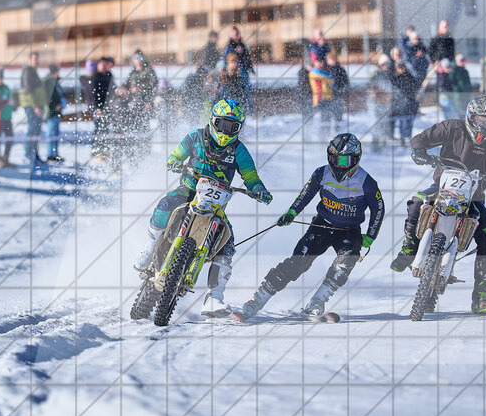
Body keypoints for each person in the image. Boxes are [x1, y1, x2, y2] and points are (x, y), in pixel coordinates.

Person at [130, 99, 272, 317]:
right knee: (165, 205)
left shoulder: (239, 151)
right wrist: (175, 163)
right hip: (189, 190)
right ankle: (149, 249)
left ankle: (214, 297)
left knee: (228, 243)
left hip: (216, 202)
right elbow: (175, 155)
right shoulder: (195, 137)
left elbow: (251, 176)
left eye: (232, 127)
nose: (225, 131)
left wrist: (259, 189)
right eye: (222, 124)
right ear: (212, 120)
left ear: (238, 128)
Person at [390, 95, 486, 314]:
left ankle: (480, 297)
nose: (482, 124)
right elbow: (420, 139)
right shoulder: (452, 128)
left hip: (473, 198)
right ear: (470, 116)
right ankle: (409, 249)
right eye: (478, 119)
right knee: (415, 203)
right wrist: (421, 152)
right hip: (441, 189)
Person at [233, 133, 384, 321]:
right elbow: (306, 195)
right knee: (298, 263)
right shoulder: (321, 173)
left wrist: (370, 236)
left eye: (345, 161)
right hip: (321, 225)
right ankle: (256, 301)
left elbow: (378, 209)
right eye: (335, 159)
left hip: (349, 231)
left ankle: (317, 301)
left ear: (356, 159)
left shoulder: (366, 182)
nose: (339, 165)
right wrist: (291, 213)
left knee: (345, 263)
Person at [20, 52, 47, 166]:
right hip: (32, 106)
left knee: (37, 131)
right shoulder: (28, 71)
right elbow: (28, 89)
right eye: (35, 59)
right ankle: (28, 154)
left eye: (38, 58)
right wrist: (35, 105)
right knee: (32, 130)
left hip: (37, 105)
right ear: (29, 60)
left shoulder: (33, 71)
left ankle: (35, 154)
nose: (37, 61)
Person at [89, 57, 115, 160]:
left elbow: (112, 90)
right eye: (102, 64)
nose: (104, 66)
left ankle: (104, 152)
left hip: (107, 108)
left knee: (105, 129)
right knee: (98, 130)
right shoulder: (95, 77)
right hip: (97, 108)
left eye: (105, 65)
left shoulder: (109, 75)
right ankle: (96, 152)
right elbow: (91, 95)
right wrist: (96, 108)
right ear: (98, 65)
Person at [388, 61, 418, 145]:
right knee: (402, 121)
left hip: (410, 102)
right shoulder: (394, 77)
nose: (402, 69)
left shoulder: (409, 76)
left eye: (403, 67)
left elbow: (415, 85)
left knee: (409, 121)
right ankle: (403, 138)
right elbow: (395, 89)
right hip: (400, 103)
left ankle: (408, 136)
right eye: (400, 67)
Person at [224, 26, 255, 106]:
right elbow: (227, 59)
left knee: (246, 91)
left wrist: (242, 53)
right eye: (234, 34)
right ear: (231, 35)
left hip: (243, 71)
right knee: (232, 91)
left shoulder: (243, 46)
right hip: (233, 72)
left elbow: (247, 58)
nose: (236, 36)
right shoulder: (229, 47)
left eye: (237, 34)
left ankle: (248, 109)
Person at [42, 64, 67, 162]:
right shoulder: (48, 82)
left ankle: (54, 154)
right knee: (51, 133)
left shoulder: (55, 82)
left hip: (57, 112)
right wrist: (54, 105)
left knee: (55, 134)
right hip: (51, 112)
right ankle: (50, 154)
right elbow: (47, 97)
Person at [368, 53, 392, 150]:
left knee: (384, 124)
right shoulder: (375, 73)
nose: (386, 66)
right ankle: (376, 144)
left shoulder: (387, 74)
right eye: (384, 64)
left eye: (388, 64)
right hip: (377, 103)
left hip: (385, 103)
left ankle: (382, 143)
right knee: (377, 124)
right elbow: (371, 87)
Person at [326, 54, 350, 124]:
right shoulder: (324, 70)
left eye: (334, 59)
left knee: (338, 118)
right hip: (326, 97)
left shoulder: (341, 70)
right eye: (331, 59)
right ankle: (324, 133)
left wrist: (345, 95)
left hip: (338, 96)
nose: (333, 61)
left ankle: (337, 132)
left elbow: (346, 83)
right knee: (326, 119)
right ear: (327, 60)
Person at [448, 53, 472, 118]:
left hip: (466, 95)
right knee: (459, 112)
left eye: (464, 60)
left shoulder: (465, 71)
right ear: (457, 61)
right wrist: (457, 89)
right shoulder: (454, 70)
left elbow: (468, 83)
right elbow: (451, 82)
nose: (463, 62)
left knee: (465, 112)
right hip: (459, 95)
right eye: (461, 60)